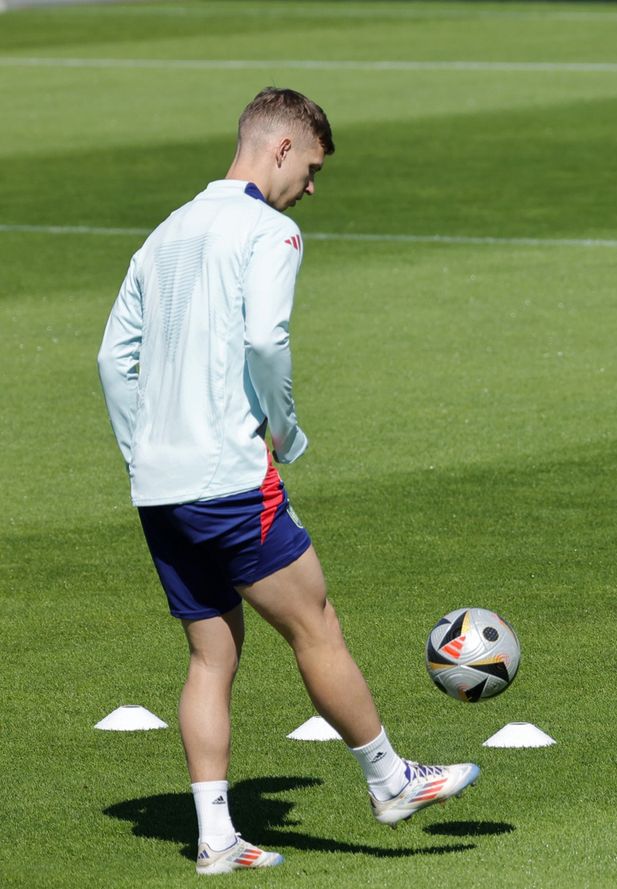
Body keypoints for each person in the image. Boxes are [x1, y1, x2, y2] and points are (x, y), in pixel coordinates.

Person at [97, 88, 480, 876]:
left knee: (212, 654)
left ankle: (215, 838)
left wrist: (142, 450)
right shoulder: (269, 231)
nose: (311, 186)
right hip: (230, 479)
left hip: (159, 485)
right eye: (309, 167)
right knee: (315, 623)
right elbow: (267, 337)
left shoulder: (163, 234)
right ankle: (390, 780)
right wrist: (285, 424)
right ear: (280, 149)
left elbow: (111, 360)